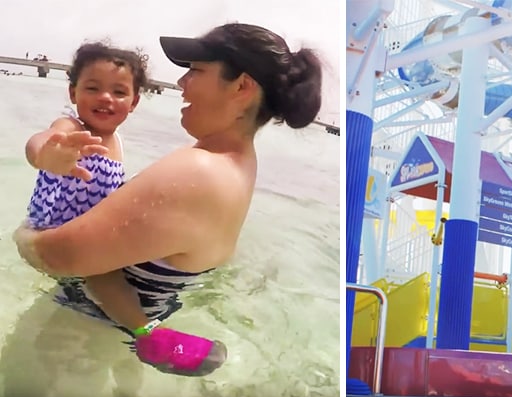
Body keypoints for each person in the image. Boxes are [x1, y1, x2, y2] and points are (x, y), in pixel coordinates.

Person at [13, 23, 323, 377]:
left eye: (195, 70)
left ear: (241, 86)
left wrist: (23, 234)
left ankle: (149, 335)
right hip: (119, 335)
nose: (181, 83)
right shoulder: (239, 166)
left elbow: (58, 256)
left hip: (77, 343)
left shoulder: (198, 172)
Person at [17, 41, 232, 374]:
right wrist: (47, 154)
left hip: (86, 226)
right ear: (73, 93)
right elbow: (41, 141)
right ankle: (148, 334)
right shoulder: (72, 129)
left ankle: (127, 367)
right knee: (103, 273)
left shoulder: (116, 140)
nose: (106, 98)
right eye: (93, 88)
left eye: (118, 92)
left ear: (133, 103)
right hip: (57, 229)